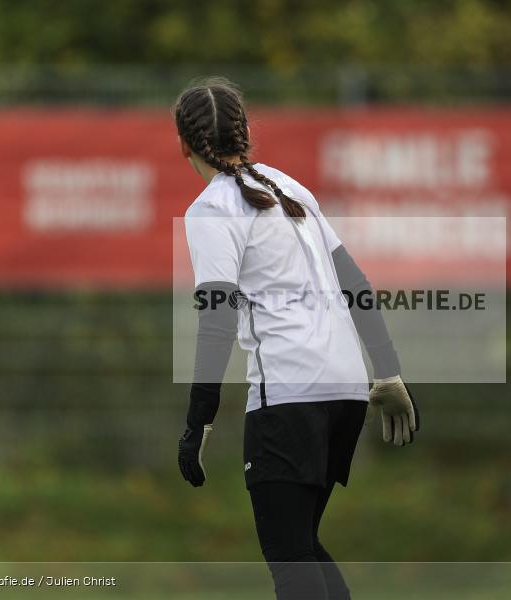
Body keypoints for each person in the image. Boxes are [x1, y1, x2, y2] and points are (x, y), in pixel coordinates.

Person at [172, 77, 419, 600]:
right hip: (347, 391)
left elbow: (216, 317)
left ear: (185, 144)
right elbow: (355, 283)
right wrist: (389, 371)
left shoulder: (213, 209)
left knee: (290, 558)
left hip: (290, 396)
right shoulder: (292, 188)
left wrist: (199, 419)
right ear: (244, 133)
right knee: (301, 545)